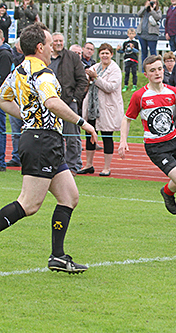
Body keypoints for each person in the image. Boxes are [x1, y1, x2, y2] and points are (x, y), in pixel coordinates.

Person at [0, 22, 98, 273]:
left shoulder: (18, 71)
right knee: (29, 204)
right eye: (49, 40)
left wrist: (27, 114)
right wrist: (83, 123)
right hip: (42, 141)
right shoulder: (43, 72)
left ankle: (58, 257)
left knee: (69, 197)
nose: (54, 44)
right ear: (40, 46)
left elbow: (3, 98)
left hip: (43, 140)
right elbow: (52, 102)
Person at [119, 55, 176, 226]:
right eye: (152, 70)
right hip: (156, 146)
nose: (157, 73)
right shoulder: (140, 96)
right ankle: (167, 192)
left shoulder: (173, 92)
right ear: (145, 74)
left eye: (160, 69)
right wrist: (123, 141)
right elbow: (127, 119)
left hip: (175, 140)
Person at [78, 43, 123, 177]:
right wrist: (88, 76)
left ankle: (106, 167)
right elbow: (85, 78)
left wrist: (95, 78)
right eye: (102, 53)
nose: (104, 55)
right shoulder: (95, 67)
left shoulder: (115, 69)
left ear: (111, 55)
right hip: (92, 107)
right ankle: (88, 164)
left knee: (107, 136)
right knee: (89, 135)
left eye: (107, 53)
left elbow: (110, 87)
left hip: (107, 108)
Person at [48, 32, 87, 177]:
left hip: (68, 102)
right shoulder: (45, 58)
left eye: (61, 41)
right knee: (53, 135)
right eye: (55, 41)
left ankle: (73, 165)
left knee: (72, 135)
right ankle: (57, 164)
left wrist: (75, 98)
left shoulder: (72, 57)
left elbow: (82, 79)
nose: (58, 43)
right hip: (50, 103)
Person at [6, 38, 23, 168]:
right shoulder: (10, 56)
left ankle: (23, 156)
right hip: (14, 97)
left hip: (24, 97)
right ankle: (16, 156)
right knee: (16, 130)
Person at [0, 29, 13, 172]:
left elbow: (3, 78)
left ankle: (0, 162)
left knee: (0, 130)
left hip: (1, 98)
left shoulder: (4, 54)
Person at [137, 0, 161, 66]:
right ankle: (144, 69)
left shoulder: (157, 11)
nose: (151, 3)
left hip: (152, 35)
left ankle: (155, 66)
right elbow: (139, 14)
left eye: (154, 2)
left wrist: (152, 10)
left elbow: (158, 17)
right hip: (142, 34)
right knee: (144, 52)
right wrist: (145, 7)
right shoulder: (144, 10)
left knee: (153, 52)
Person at [117, 27, 140, 92]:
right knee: (126, 73)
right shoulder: (125, 42)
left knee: (134, 73)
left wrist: (132, 48)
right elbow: (123, 51)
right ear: (128, 34)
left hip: (134, 60)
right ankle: (125, 85)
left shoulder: (136, 42)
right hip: (127, 60)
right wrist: (118, 50)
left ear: (135, 34)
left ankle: (134, 85)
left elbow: (137, 51)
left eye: (133, 34)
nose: (131, 35)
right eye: (130, 34)